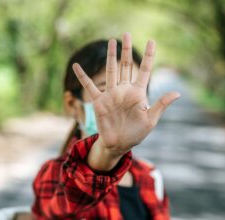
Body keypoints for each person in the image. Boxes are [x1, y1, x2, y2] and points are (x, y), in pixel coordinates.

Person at [31, 32, 180, 220]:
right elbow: (60, 209)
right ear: (72, 104)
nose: (122, 105)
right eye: (105, 91)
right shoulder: (53, 175)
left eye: (132, 92)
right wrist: (109, 152)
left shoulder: (149, 175)